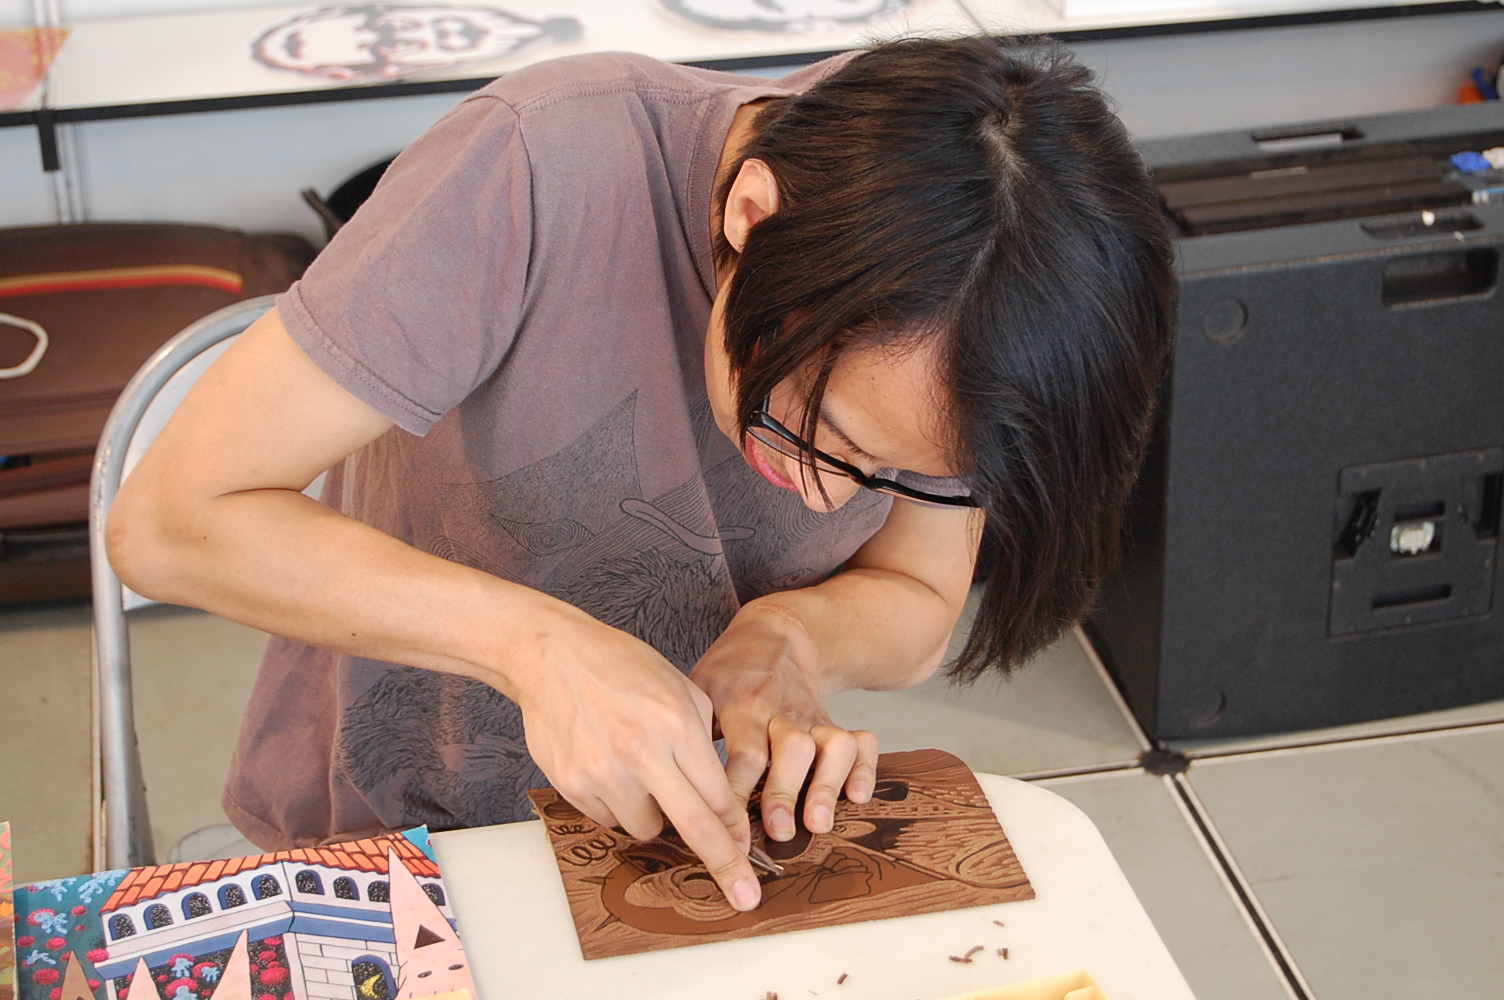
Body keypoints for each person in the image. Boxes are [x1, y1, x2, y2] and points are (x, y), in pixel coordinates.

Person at [107, 35, 1176, 914]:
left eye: (902, 475)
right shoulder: (536, 166)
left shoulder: (981, 286)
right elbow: (167, 520)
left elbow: (917, 598)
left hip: (682, 841)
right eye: (826, 432)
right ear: (750, 218)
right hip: (405, 824)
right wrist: (539, 650)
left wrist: (789, 640)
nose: (834, 499)